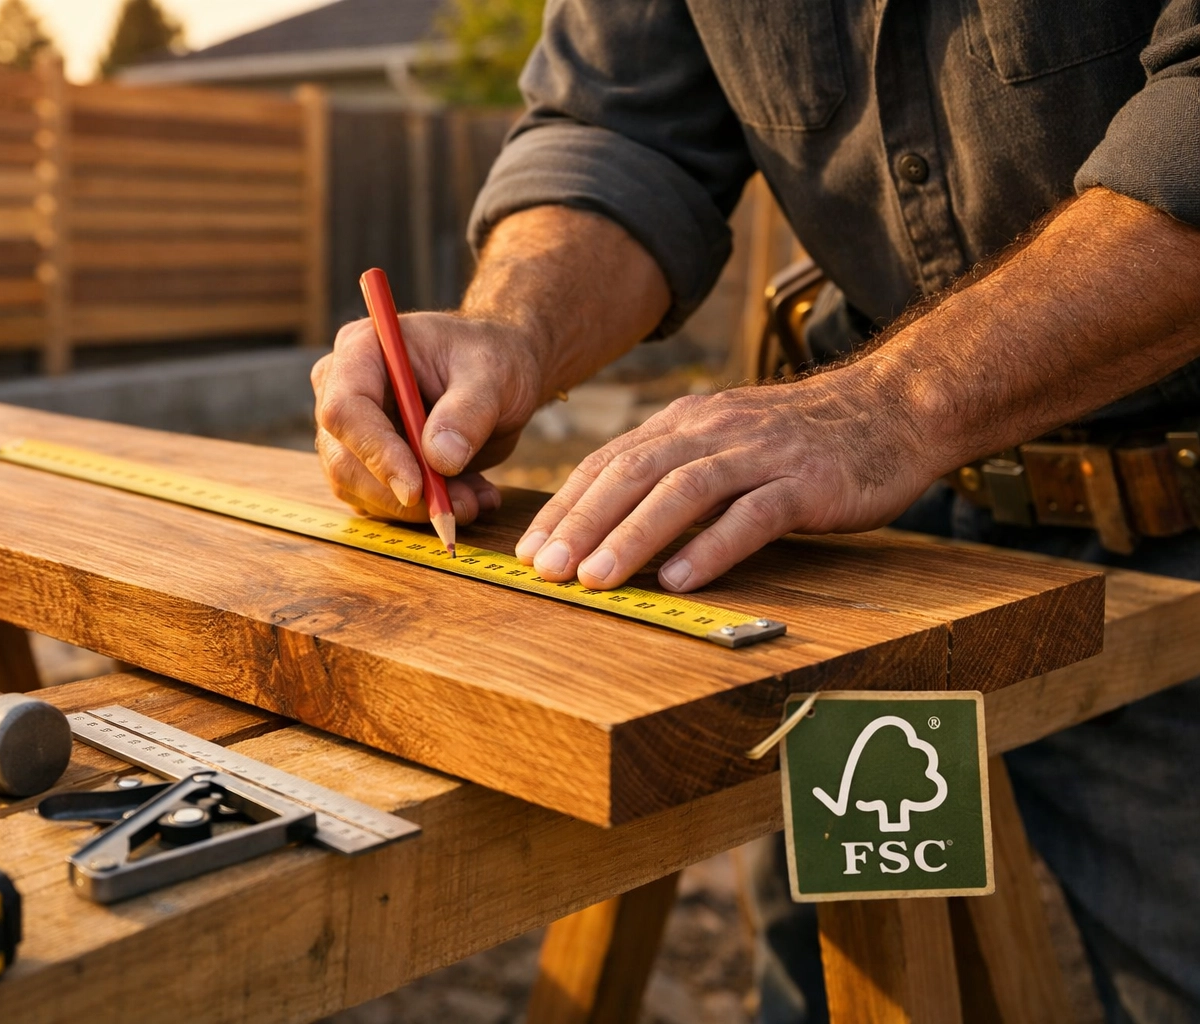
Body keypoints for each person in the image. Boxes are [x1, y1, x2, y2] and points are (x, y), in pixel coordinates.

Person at [310, 3, 1200, 1022]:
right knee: (834, 986)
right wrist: (514, 325)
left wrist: (893, 402)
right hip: (862, 558)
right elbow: (622, 130)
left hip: (1171, 516)